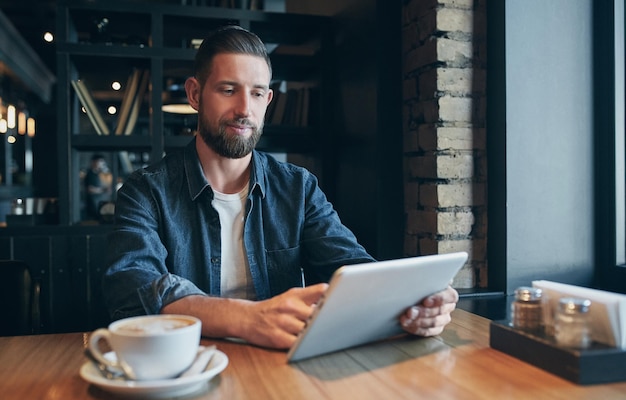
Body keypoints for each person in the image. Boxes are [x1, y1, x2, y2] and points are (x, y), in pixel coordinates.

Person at [103, 25, 459, 350]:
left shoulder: (298, 188)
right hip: (187, 367)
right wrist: (246, 318)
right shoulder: (145, 191)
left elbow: (350, 269)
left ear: (268, 100)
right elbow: (132, 289)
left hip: (278, 365)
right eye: (229, 90)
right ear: (195, 94)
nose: (245, 109)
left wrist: (411, 303)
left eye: (257, 94)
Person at [84, 154, 111, 221]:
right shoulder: (90, 174)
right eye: (100, 161)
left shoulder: (100, 174)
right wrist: (102, 190)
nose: (102, 164)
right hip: (93, 204)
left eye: (102, 162)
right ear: (93, 162)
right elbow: (89, 189)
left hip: (100, 203)